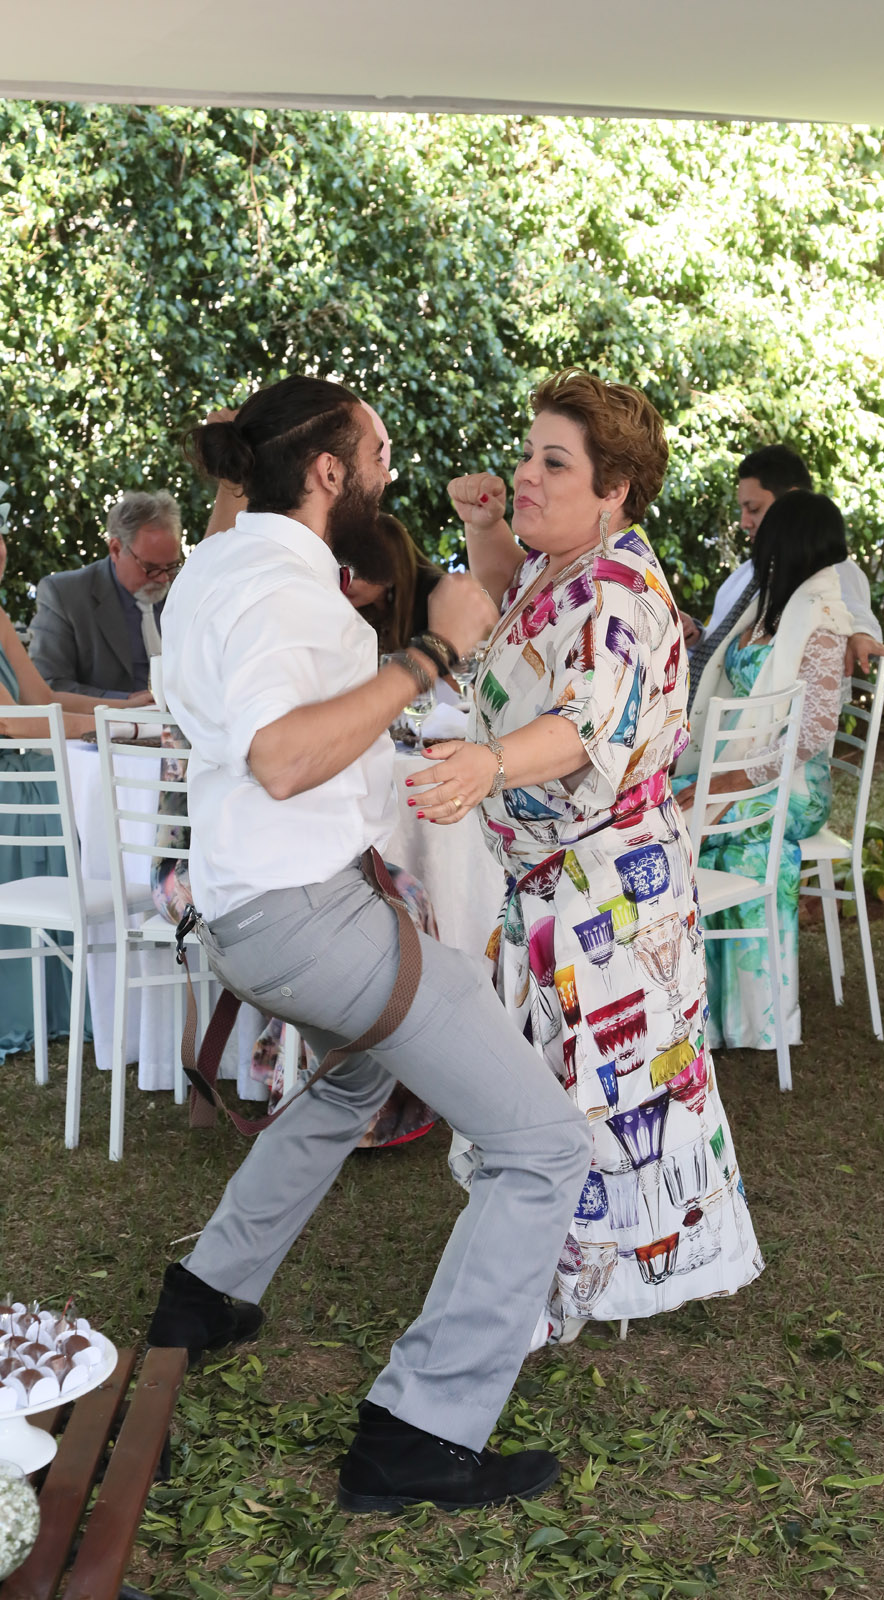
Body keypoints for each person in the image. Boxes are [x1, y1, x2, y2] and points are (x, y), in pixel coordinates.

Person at [144, 374, 592, 1514]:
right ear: (328, 471)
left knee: (353, 1079)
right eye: (379, 455)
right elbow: (281, 756)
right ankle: (416, 1431)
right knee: (544, 1145)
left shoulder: (220, 565)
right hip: (306, 920)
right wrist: (429, 657)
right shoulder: (281, 591)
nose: (390, 475)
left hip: (251, 917)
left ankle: (206, 1292)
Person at [408, 369, 762, 1344]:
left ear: (614, 489)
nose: (526, 472)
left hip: (603, 897)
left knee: (580, 1098)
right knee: (567, 1093)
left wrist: (487, 763)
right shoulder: (562, 563)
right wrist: (488, 525)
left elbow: (581, 725)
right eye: (527, 453)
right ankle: (564, 1280)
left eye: (552, 463)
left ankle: (558, 1288)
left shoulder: (615, 594)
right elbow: (514, 617)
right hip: (562, 888)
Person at [676, 490, 853, 1051]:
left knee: (681, 823)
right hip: (740, 769)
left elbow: (813, 734)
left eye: (767, 531)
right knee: (664, 806)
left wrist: (728, 783)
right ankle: (708, 1017)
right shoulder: (772, 603)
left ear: (789, 542)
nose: (756, 540)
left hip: (794, 787)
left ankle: (702, 1012)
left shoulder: (821, 620)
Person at [0, 511, 150, 1061]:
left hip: (25, 771)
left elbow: (41, 698)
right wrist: (109, 727)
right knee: (78, 801)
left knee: (80, 796)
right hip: (8, 783)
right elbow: (12, 722)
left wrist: (125, 708)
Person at [679, 445, 884, 696]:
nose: (744, 522)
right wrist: (696, 635)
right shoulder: (745, 574)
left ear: (792, 501)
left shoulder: (828, 568)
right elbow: (724, 644)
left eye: (753, 509)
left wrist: (860, 635)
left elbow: (853, 614)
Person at [29, 491, 183, 697]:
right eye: (151, 568)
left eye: (171, 566)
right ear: (116, 550)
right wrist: (126, 702)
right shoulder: (66, 595)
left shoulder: (183, 593)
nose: (163, 579)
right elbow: (49, 685)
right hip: (105, 717)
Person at [341, 513, 444, 654]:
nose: (346, 581)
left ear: (392, 571)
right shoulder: (361, 612)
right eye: (341, 569)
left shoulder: (435, 598)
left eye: (359, 572)